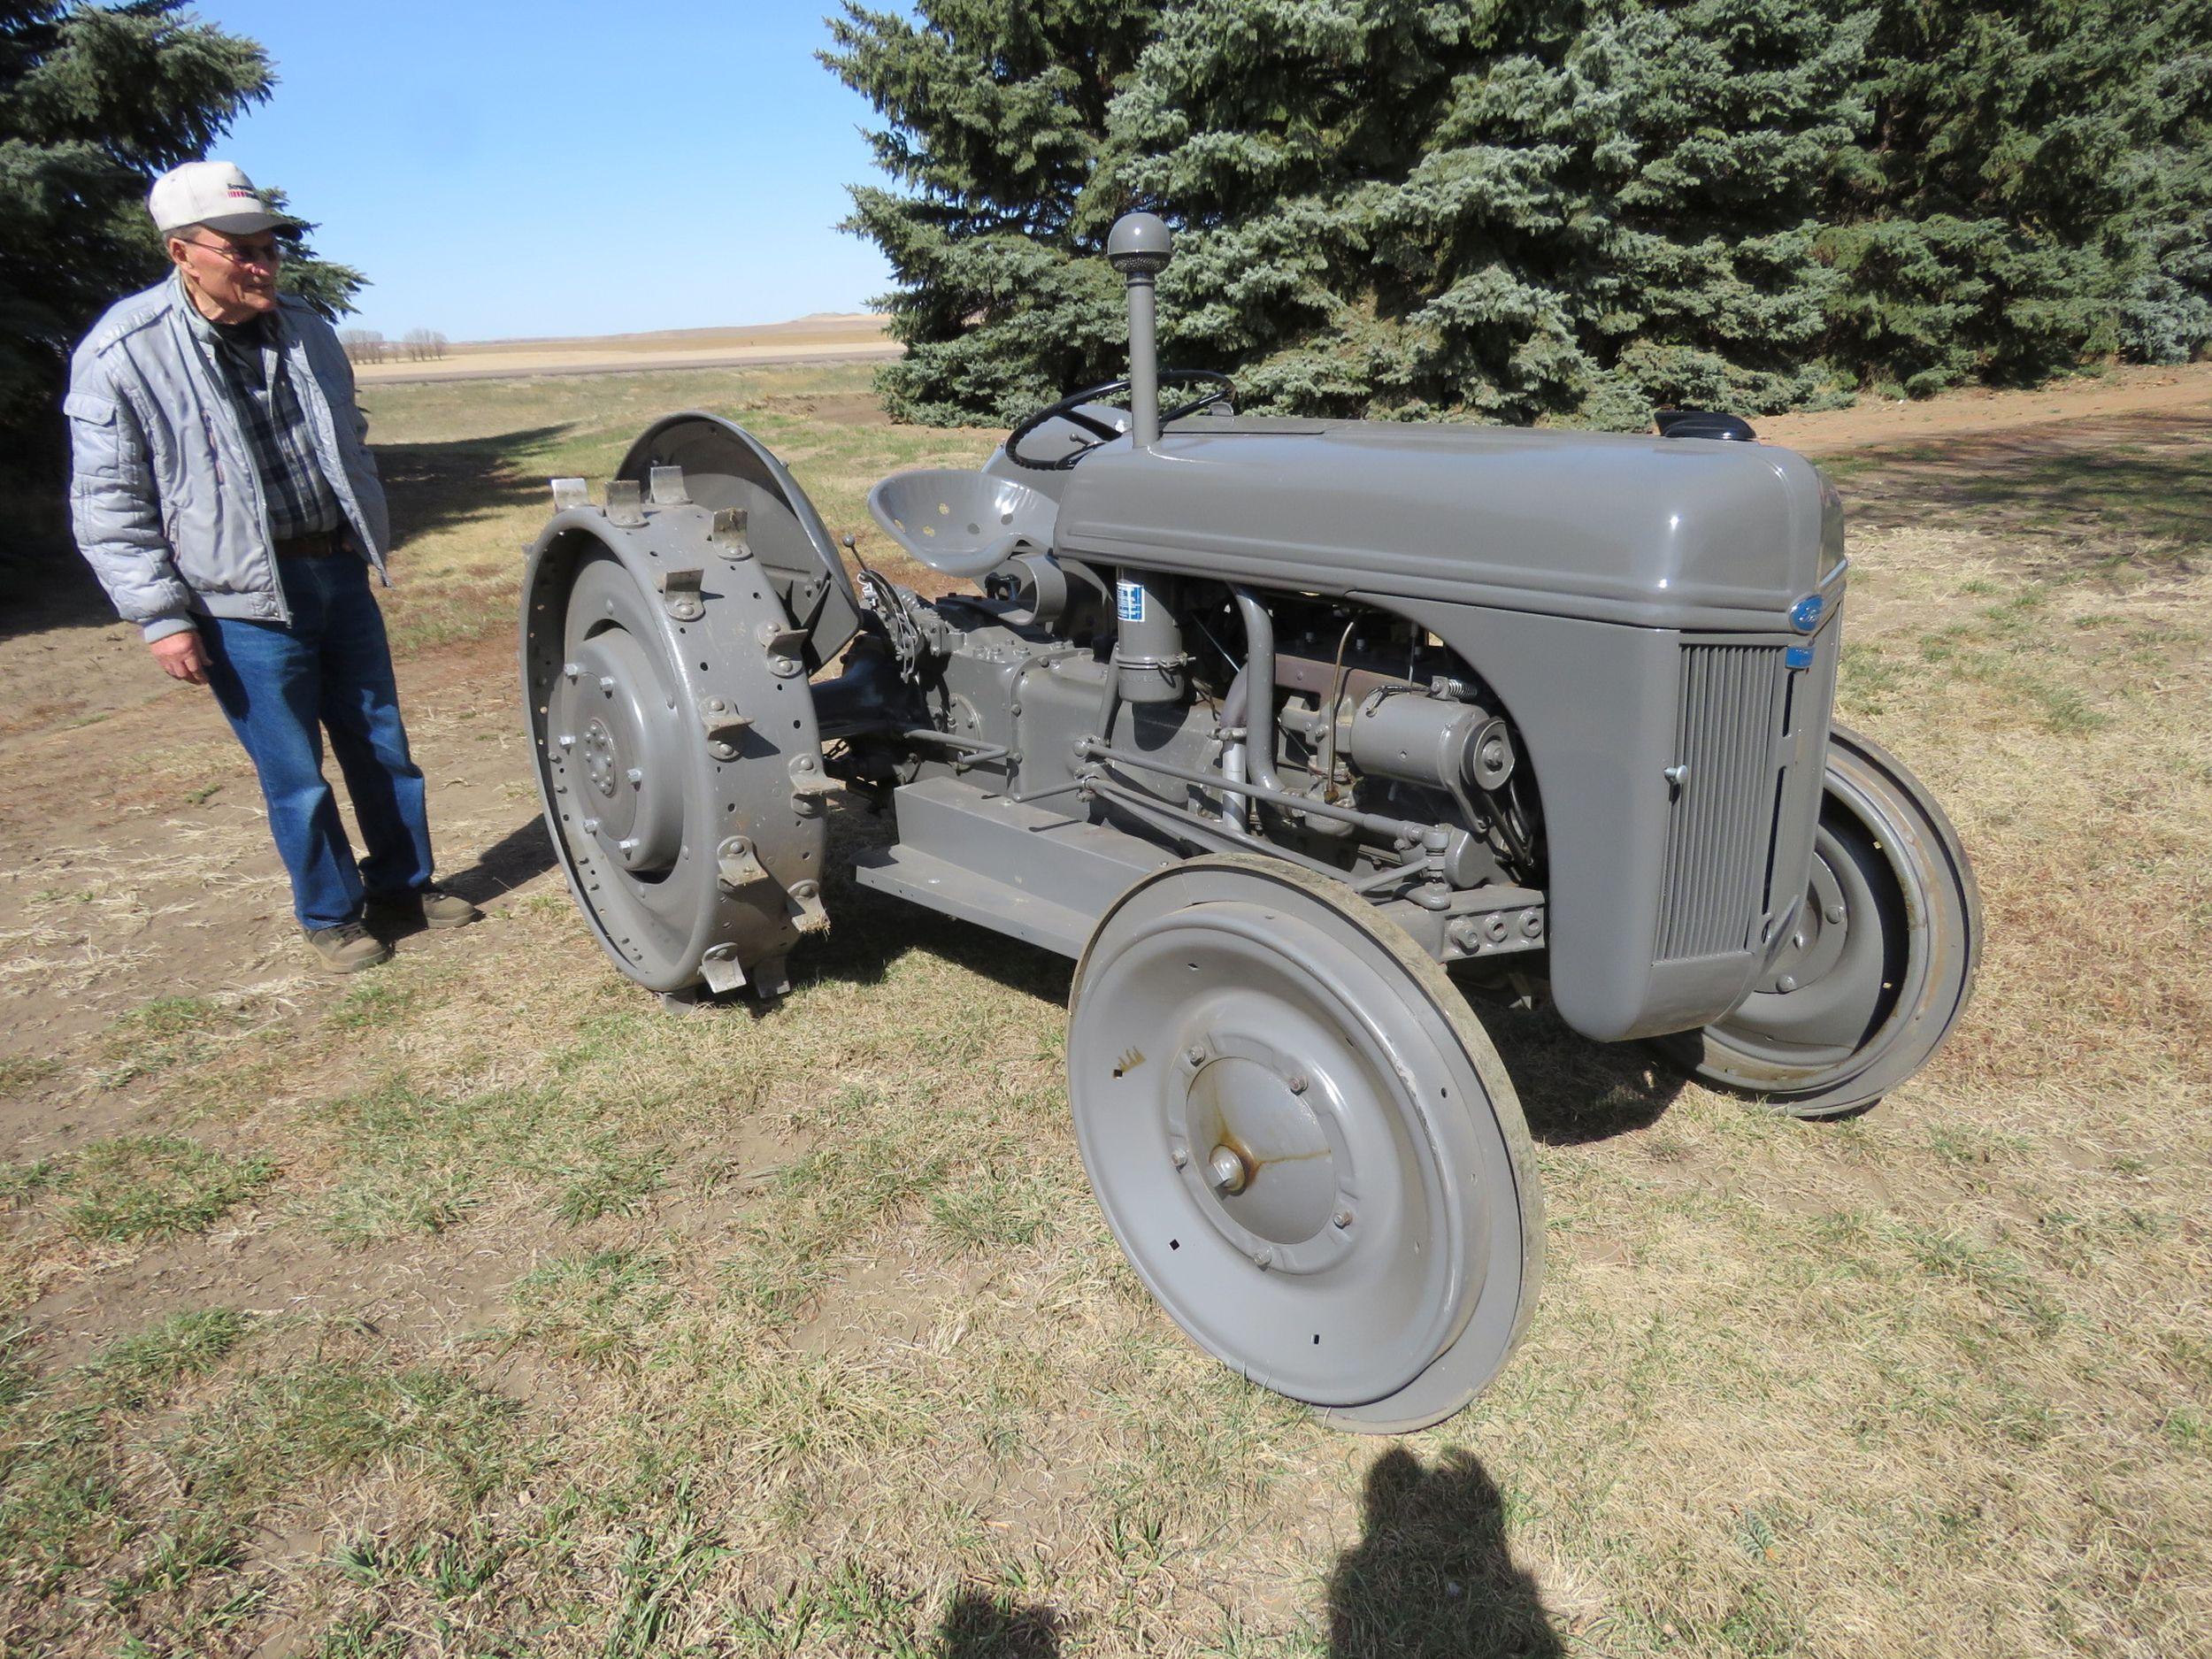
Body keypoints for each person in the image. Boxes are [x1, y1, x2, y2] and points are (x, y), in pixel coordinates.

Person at [65, 160, 479, 972]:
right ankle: (331, 916)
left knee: (381, 745)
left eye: (269, 247)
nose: (262, 264)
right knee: (295, 771)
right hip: (239, 602)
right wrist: (161, 614)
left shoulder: (307, 329)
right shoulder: (124, 351)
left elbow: (345, 441)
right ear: (183, 252)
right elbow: (109, 501)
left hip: (335, 571)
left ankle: (405, 884)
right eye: (239, 249)